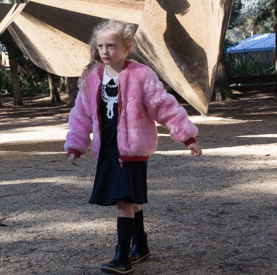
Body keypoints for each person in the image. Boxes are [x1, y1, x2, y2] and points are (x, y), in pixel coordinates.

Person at [65, 20, 202, 275]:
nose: (105, 51)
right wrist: (76, 143)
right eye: (101, 46)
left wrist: (187, 137)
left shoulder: (141, 74)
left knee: (124, 201)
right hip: (107, 148)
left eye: (112, 46)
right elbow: (81, 114)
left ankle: (122, 258)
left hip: (131, 148)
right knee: (131, 199)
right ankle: (141, 247)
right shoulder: (93, 78)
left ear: (126, 48)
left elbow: (164, 106)